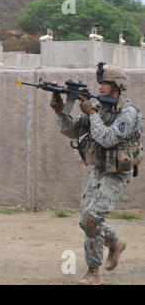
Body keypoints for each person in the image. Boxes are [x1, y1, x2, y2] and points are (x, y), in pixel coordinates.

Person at [50, 64, 143, 285]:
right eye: (100, 83)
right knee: (86, 221)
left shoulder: (128, 113)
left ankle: (93, 272)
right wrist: (61, 111)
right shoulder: (99, 108)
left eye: (105, 83)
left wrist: (91, 113)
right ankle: (115, 244)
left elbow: (108, 138)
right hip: (100, 169)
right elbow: (71, 130)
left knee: (91, 218)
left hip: (118, 173)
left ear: (116, 87)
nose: (100, 87)